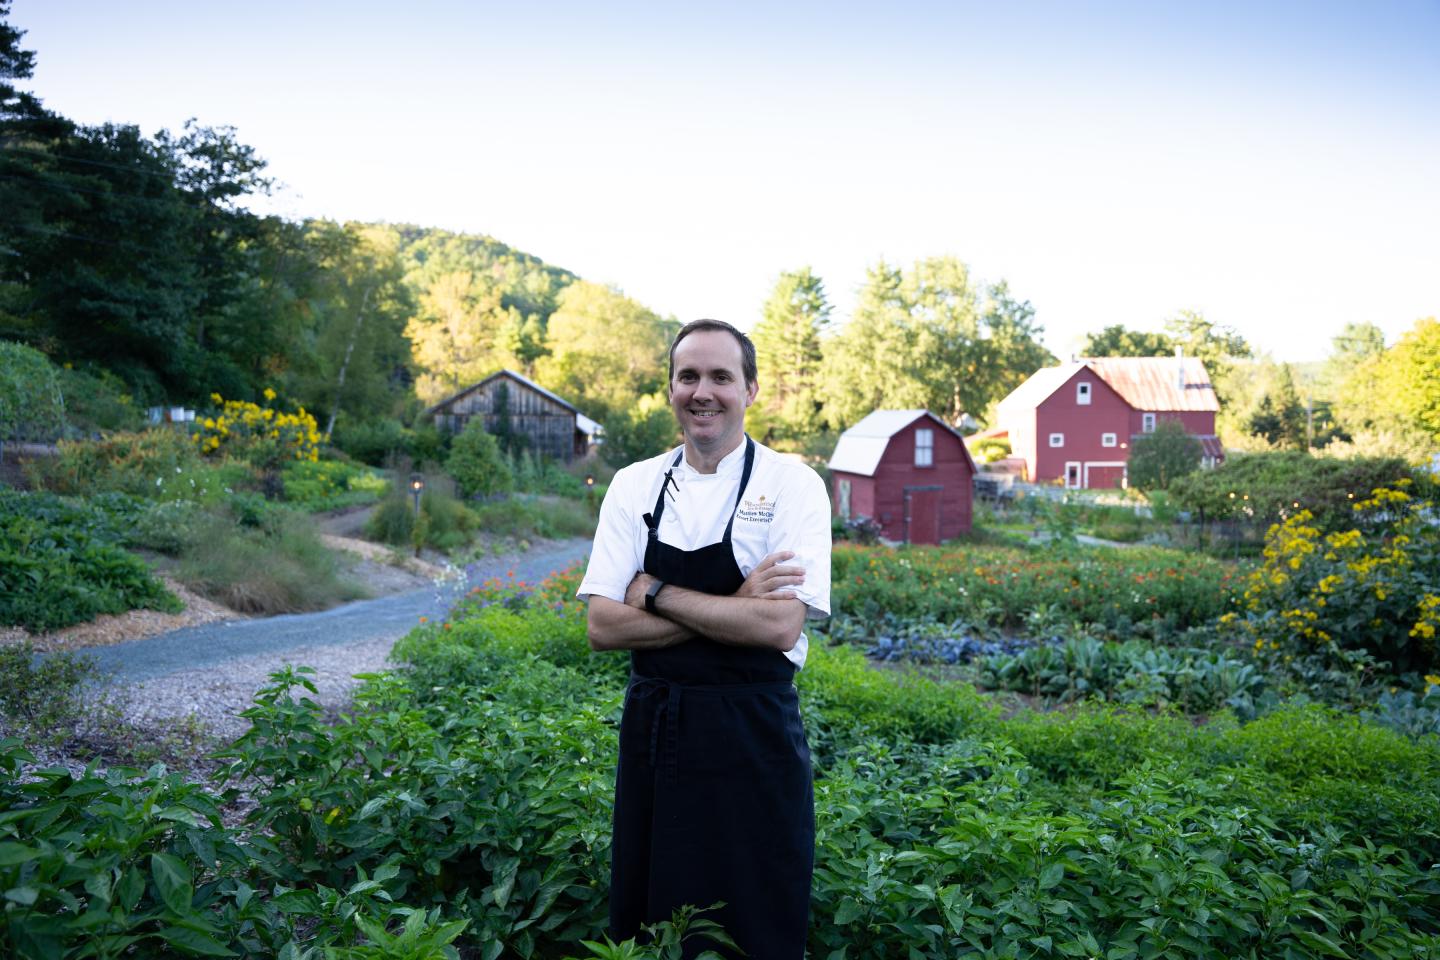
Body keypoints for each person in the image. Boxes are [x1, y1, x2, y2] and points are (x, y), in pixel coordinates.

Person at [577, 318, 832, 959]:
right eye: (688, 376)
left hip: (755, 740)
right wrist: (732, 606)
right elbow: (603, 626)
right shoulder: (633, 485)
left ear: (750, 389)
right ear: (670, 388)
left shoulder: (793, 486)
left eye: (721, 376)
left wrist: (656, 592)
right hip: (655, 738)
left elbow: (778, 625)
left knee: (757, 922)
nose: (703, 391)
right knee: (654, 922)